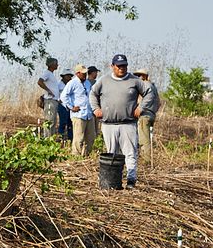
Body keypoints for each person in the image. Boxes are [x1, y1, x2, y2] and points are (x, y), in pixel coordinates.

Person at [89, 54, 156, 189]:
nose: (121, 68)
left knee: (130, 153)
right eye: (119, 66)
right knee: (112, 154)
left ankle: (131, 180)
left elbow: (149, 93)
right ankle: (113, 181)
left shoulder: (135, 80)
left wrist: (141, 107)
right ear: (112, 66)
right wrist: (96, 108)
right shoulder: (103, 80)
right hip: (108, 124)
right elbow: (93, 94)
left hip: (128, 124)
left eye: (124, 65)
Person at [60, 64, 95, 157]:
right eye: (83, 73)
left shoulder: (88, 83)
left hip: (89, 114)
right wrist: (71, 107)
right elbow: (63, 96)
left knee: (91, 137)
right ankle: (76, 156)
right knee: (79, 137)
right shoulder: (72, 83)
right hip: (79, 115)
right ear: (77, 73)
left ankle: (87, 155)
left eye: (86, 73)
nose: (85, 75)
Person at [133, 68, 160, 157]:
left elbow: (147, 99)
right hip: (151, 114)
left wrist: (140, 108)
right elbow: (158, 103)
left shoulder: (145, 85)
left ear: (145, 76)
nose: (138, 77)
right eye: (137, 76)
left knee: (144, 139)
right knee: (147, 137)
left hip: (144, 115)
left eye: (140, 75)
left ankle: (146, 160)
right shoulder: (153, 86)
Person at [37, 57, 59, 137]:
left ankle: (51, 138)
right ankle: (47, 138)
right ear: (51, 64)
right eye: (56, 63)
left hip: (54, 101)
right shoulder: (47, 73)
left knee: (53, 121)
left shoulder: (51, 74)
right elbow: (40, 82)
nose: (57, 65)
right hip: (50, 101)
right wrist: (48, 90)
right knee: (49, 121)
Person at [57, 69, 74, 142]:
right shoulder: (58, 85)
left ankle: (70, 139)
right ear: (63, 76)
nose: (69, 78)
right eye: (68, 76)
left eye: (70, 76)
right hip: (62, 106)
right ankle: (61, 138)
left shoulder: (70, 85)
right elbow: (56, 95)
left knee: (70, 123)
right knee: (63, 122)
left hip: (70, 106)